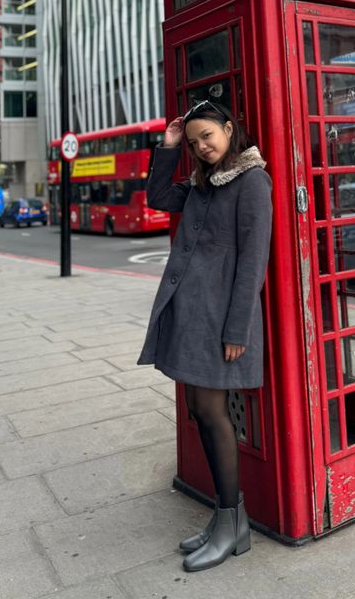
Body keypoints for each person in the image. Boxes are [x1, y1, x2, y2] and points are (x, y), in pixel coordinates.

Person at [137, 99, 272, 573]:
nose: (202, 146)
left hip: (220, 321)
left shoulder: (253, 181)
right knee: (199, 409)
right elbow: (156, 198)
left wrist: (239, 327)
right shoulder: (200, 182)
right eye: (194, 141)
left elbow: (254, 260)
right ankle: (225, 520)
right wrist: (169, 146)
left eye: (207, 136)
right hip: (189, 314)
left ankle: (234, 522)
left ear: (230, 129)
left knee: (214, 415)